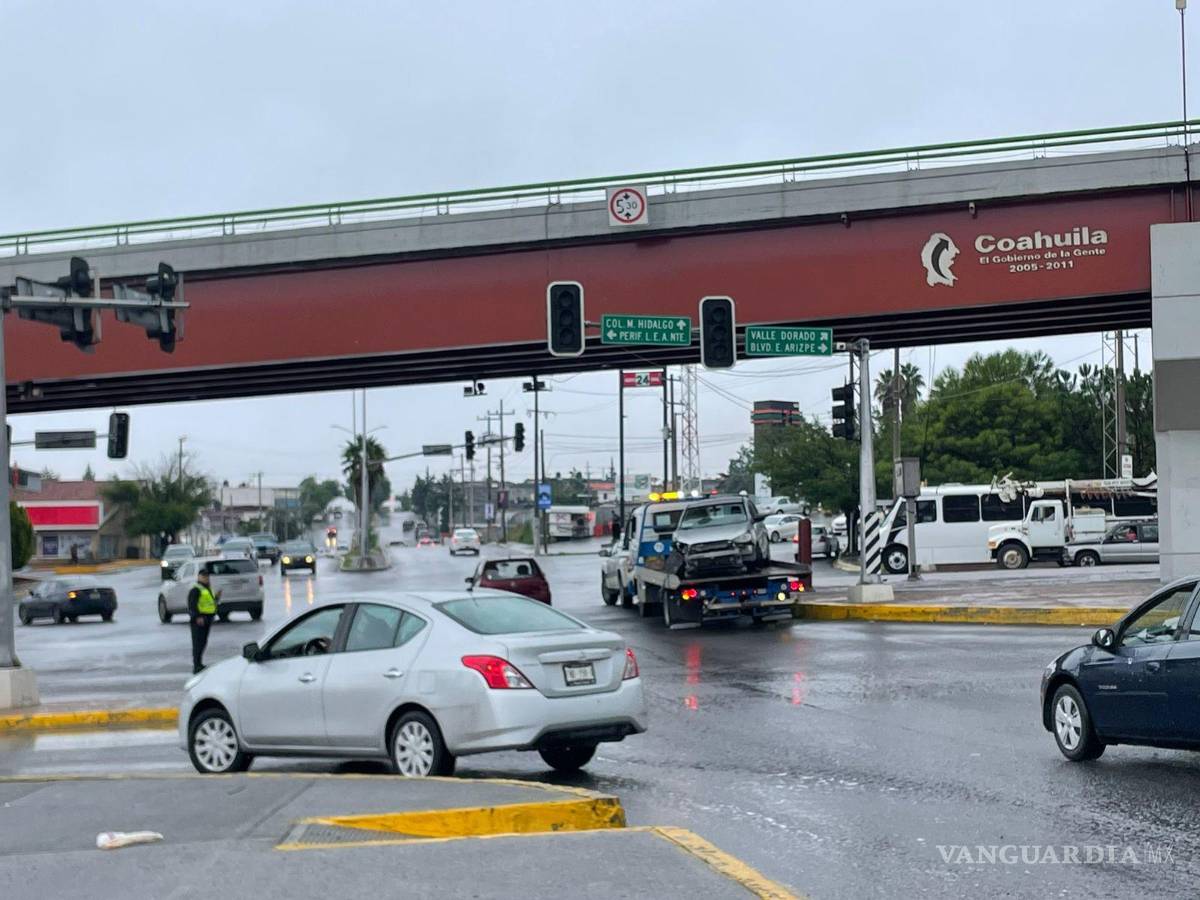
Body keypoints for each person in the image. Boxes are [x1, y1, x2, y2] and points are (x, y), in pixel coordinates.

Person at [187, 568, 221, 674]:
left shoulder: (206, 588)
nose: (206, 578)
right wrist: (198, 617)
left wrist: (216, 598)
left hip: (207, 619)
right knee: (198, 643)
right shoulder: (196, 589)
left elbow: (209, 603)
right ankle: (196, 665)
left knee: (203, 642)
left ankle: (199, 664)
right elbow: (192, 605)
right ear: (199, 577)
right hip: (199, 620)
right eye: (203, 576)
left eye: (207, 576)